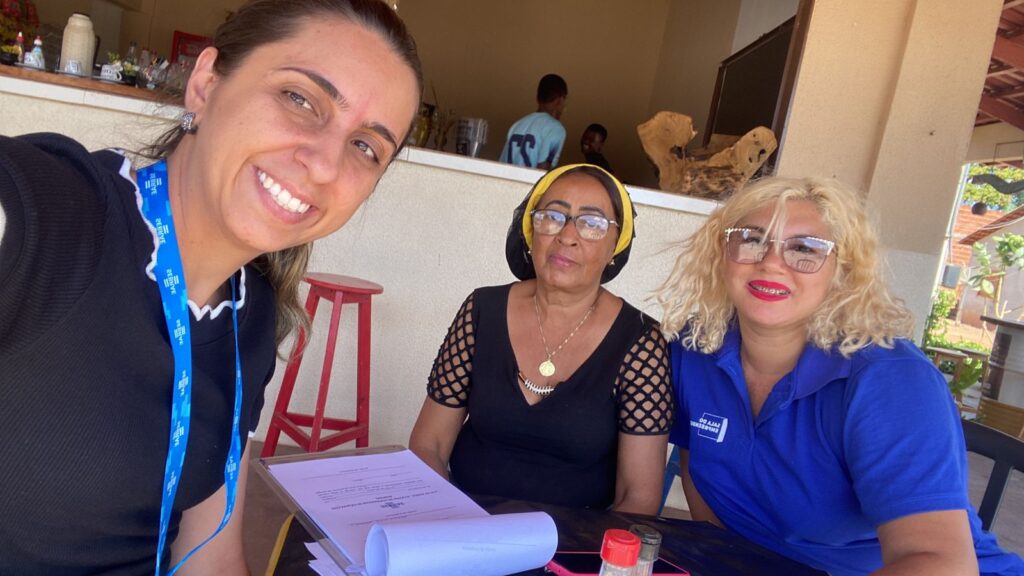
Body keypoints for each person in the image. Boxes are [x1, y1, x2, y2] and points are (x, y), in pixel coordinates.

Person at [0, 1, 422, 574]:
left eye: (366, 147)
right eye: (300, 99)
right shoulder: (54, 216)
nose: (325, 165)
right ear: (205, 84)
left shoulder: (251, 316)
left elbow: (210, 554)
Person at [655, 177, 1024, 576]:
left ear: (842, 271)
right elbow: (699, 472)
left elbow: (939, 563)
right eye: (752, 239)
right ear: (722, 255)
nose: (771, 262)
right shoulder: (697, 349)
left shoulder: (890, 381)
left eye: (804, 249)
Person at [409, 164, 673, 514]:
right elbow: (429, 445)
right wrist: (445, 518)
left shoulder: (640, 341)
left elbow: (638, 496)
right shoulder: (482, 309)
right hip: (464, 520)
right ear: (531, 231)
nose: (567, 235)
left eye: (592, 223)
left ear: (616, 246)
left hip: (575, 538)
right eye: (552, 216)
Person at [500, 73, 568, 169]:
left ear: (538, 97)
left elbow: (501, 165)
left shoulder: (517, 124)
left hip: (508, 178)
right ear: (560, 99)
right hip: (531, 179)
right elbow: (543, 169)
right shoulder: (556, 129)